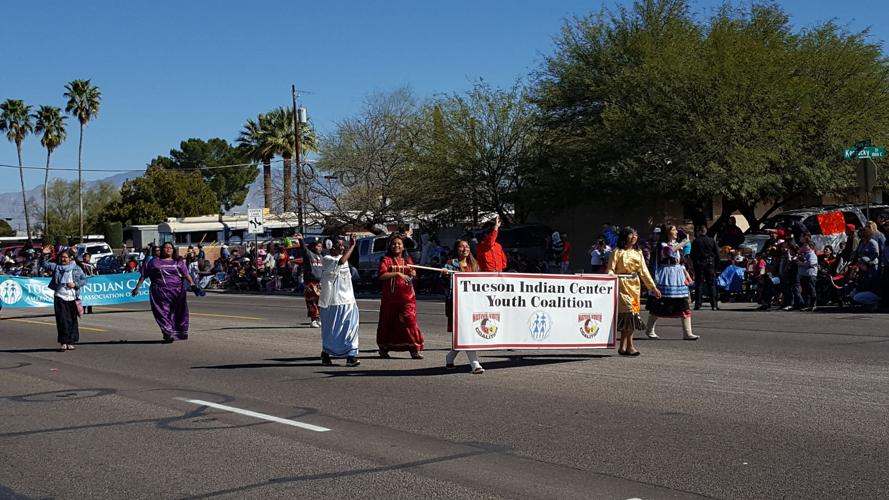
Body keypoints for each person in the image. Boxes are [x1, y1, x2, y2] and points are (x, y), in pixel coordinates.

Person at [606, 226, 661, 356]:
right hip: (621, 286)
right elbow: (610, 269)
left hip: (634, 287)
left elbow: (644, 271)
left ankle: (623, 347)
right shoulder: (617, 252)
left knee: (630, 316)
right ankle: (630, 346)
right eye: (631, 234)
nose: (634, 237)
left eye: (636, 234)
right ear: (625, 237)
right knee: (630, 314)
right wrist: (611, 277)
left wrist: (653, 287)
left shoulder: (638, 253)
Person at [131, 242, 198, 342]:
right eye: (166, 248)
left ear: (173, 250)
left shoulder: (178, 262)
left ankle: (177, 333)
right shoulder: (154, 262)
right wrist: (137, 287)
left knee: (179, 312)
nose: (168, 249)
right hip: (159, 291)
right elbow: (144, 275)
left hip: (177, 291)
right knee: (162, 312)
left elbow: (186, 275)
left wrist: (192, 284)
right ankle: (167, 333)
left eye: (170, 248)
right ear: (162, 249)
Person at [645, 225, 698, 340]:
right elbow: (668, 252)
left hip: (678, 276)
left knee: (684, 303)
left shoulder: (676, 245)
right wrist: (683, 243)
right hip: (666, 276)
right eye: (673, 230)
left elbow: (680, 261)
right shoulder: (662, 245)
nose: (676, 232)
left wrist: (686, 274)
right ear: (667, 233)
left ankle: (687, 333)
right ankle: (649, 329)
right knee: (660, 304)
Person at [376, 235, 425, 358]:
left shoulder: (408, 260)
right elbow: (382, 275)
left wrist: (413, 273)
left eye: (399, 244)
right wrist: (397, 273)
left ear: (403, 247)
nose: (396, 246)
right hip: (391, 299)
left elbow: (413, 275)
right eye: (394, 244)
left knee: (409, 319)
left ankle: (414, 348)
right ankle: (384, 348)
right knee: (389, 322)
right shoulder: (386, 260)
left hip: (407, 298)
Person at [443, 239, 484, 374]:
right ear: (456, 249)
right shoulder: (450, 264)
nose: (465, 249)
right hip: (456, 303)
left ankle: (450, 357)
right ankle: (475, 364)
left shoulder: (475, 265)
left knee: (465, 333)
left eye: (467, 247)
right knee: (466, 332)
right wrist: (444, 274)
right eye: (461, 247)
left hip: (472, 304)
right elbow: (443, 280)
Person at [319, 236, 360, 367]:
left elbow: (346, 261)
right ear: (330, 246)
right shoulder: (327, 259)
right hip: (333, 301)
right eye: (339, 245)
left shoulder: (345, 259)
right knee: (331, 330)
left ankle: (351, 355)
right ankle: (326, 353)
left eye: (343, 245)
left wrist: (354, 246)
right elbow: (341, 262)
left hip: (348, 300)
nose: (342, 247)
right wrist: (351, 247)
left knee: (351, 327)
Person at [40, 247, 87, 351]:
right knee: (62, 321)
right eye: (61, 257)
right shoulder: (57, 267)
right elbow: (44, 264)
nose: (63, 260)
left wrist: (75, 284)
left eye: (65, 257)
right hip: (60, 297)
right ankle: (63, 342)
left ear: (70, 258)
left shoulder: (76, 268)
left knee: (72, 321)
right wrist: (43, 254)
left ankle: (70, 342)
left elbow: (84, 280)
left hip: (72, 298)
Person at [690, 225, 720, 311]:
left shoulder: (696, 241)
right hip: (710, 264)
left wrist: (695, 264)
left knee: (699, 284)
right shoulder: (712, 241)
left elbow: (692, 255)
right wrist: (716, 266)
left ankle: (698, 304)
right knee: (712, 284)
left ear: (699, 231)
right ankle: (714, 304)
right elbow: (717, 254)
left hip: (699, 264)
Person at [793, 235, 819, 312]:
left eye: (806, 245)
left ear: (810, 247)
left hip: (810, 275)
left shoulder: (811, 254)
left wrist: (800, 263)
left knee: (811, 290)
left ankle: (813, 304)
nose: (804, 246)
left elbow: (810, 264)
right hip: (803, 274)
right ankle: (806, 305)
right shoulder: (803, 254)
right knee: (804, 291)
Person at [303, 238, 324, 328]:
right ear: (313, 247)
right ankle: (313, 320)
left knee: (320, 301)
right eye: (318, 246)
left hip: (319, 283)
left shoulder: (322, 257)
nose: (320, 248)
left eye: (321, 246)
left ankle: (318, 318)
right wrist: (301, 240)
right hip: (310, 283)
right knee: (312, 301)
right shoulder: (309, 255)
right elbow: (303, 249)